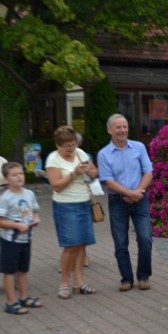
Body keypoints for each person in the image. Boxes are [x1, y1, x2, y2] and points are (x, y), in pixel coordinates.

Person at [98, 114, 153, 292]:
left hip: (140, 199)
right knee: (121, 242)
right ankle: (126, 278)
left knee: (145, 239)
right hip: (117, 201)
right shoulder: (104, 154)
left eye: (125, 126)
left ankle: (143, 276)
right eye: (118, 127)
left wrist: (138, 192)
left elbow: (148, 172)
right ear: (109, 130)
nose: (122, 130)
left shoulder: (138, 147)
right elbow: (108, 180)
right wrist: (129, 193)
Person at [46, 125, 98, 299]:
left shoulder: (81, 153)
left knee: (82, 243)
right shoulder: (53, 160)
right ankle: (64, 283)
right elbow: (56, 186)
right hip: (65, 206)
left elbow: (95, 172)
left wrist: (90, 172)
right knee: (71, 246)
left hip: (83, 202)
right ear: (58, 145)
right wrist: (74, 174)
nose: (71, 149)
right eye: (67, 146)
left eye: (73, 144)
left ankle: (79, 282)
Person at [0, 162, 42, 314]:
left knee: (23, 269)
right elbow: (1, 220)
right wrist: (16, 226)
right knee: (9, 271)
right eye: (14, 174)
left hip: (26, 239)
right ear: (6, 178)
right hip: (11, 240)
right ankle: (11, 302)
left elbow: (35, 211)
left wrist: (36, 219)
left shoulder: (29, 194)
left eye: (21, 173)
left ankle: (24, 297)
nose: (19, 177)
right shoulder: (5, 198)